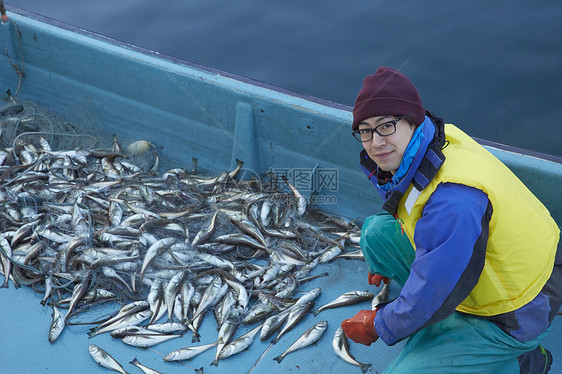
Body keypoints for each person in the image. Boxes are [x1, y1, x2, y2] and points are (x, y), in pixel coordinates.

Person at [340, 66, 561, 373]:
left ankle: (523, 362)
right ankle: (436, 325)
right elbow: (412, 213)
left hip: (518, 309)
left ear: (412, 121)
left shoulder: (453, 199)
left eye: (386, 126)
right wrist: (386, 264)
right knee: (375, 233)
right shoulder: (434, 141)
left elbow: (435, 289)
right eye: (365, 130)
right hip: (482, 265)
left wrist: (378, 324)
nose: (376, 142)